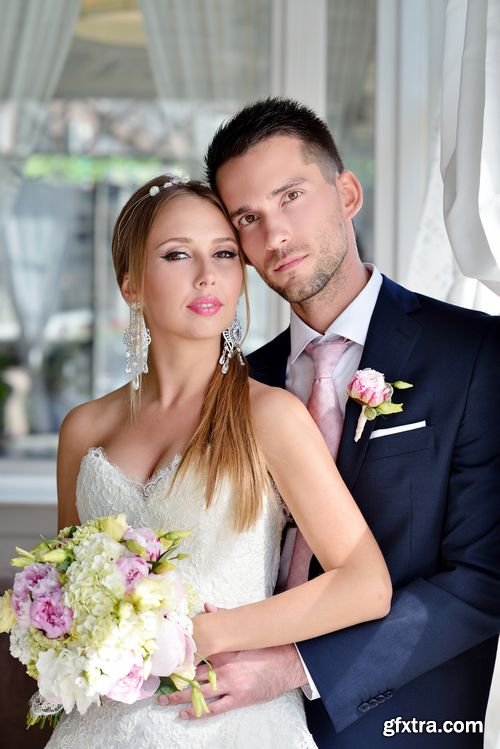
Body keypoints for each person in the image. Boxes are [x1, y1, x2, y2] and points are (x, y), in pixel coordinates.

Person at [164, 98, 500, 747]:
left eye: (291, 195)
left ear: (347, 192)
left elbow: (485, 579)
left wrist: (296, 667)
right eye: (249, 218)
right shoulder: (235, 388)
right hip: (229, 726)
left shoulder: (478, 354)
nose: (276, 234)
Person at [45, 176, 391, 749]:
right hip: (97, 729)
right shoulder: (84, 429)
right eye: (177, 254)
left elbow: (365, 584)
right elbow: (63, 598)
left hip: (231, 725)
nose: (207, 274)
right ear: (130, 283)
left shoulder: (270, 415)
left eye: (225, 254)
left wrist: (202, 632)